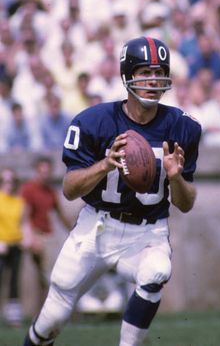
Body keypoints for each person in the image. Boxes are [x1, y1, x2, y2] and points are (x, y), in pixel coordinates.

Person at [22, 36, 201, 346]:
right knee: (52, 319)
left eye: (159, 72)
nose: (153, 80)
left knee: (157, 270)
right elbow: (68, 189)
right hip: (97, 227)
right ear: (127, 75)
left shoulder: (183, 127)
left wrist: (175, 177)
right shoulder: (94, 122)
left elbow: (185, 203)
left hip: (148, 233)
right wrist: (104, 165)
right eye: (144, 72)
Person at [20, 155, 71, 310]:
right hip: (34, 236)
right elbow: (24, 217)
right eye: (42, 171)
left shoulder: (50, 192)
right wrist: (30, 237)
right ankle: (32, 312)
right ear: (37, 171)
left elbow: (61, 214)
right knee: (31, 280)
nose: (45, 174)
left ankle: (44, 313)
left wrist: (73, 231)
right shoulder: (29, 189)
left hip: (47, 236)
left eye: (47, 171)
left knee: (47, 278)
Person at [0, 167, 29, 327]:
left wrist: (25, 238)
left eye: (12, 181)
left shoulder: (19, 201)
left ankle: (13, 316)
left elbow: (23, 223)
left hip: (15, 245)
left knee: (14, 281)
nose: (8, 184)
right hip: (1, 245)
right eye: (5, 181)